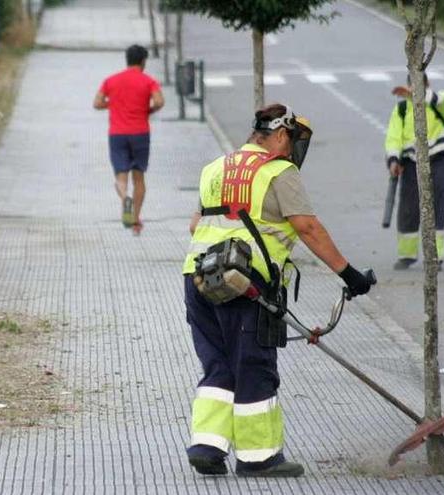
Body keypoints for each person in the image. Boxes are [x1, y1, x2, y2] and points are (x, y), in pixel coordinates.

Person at [182, 104, 374, 477]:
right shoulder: (279, 171)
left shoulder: (215, 168)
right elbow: (308, 228)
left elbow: (195, 226)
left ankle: (207, 447)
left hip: (199, 279)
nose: (293, 152)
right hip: (245, 284)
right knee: (253, 365)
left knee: (218, 363)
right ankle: (259, 458)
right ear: (281, 135)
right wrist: (349, 275)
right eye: (293, 142)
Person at [93, 44, 165, 235]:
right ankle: (135, 218)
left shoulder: (111, 81)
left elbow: (97, 103)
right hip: (140, 132)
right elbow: (159, 101)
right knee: (139, 177)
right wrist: (148, 110)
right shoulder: (148, 81)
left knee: (120, 176)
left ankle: (125, 197)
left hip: (117, 134)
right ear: (143, 61)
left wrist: (112, 104)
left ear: (127, 59)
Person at [384, 74, 444, 270]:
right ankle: (407, 255)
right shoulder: (402, 109)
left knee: (438, 205)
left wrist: (415, 94)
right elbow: (393, 137)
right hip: (411, 163)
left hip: (438, 159)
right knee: (409, 208)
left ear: (427, 84)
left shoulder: (440, 99)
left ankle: (435, 257)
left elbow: (437, 100)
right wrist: (393, 160)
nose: (413, 90)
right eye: (411, 86)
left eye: (418, 86)